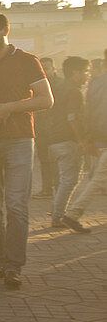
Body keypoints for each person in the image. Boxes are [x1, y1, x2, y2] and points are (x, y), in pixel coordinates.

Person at [0, 11, 53, 289]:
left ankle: (13, 266)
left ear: (6, 31)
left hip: (19, 139)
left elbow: (46, 100)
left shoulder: (27, 61)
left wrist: (10, 107)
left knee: (16, 206)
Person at [44, 57, 93, 233]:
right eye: (86, 71)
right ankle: (58, 217)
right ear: (76, 72)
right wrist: (81, 140)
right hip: (67, 140)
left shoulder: (60, 88)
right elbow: (72, 118)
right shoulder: (74, 92)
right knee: (69, 180)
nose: (88, 75)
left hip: (54, 140)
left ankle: (57, 213)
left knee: (64, 180)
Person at [62, 47, 107, 227]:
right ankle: (73, 214)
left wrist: (89, 137)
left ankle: (73, 213)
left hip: (100, 136)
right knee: (98, 179)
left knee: (98, 178)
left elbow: (87, 111)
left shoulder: (95, 83)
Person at [33, 57, 60, 199]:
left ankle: (58, 188)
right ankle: (47, 188)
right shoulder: (35, 85)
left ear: (54, 69)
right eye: (42, 68)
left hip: (56, 129)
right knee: (44, 160)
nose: (45, 71)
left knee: (56, 160)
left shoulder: (60, 86)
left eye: (47, 68)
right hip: (42, 129)